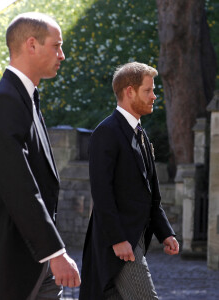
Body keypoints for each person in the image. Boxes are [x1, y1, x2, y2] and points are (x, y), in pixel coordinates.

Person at [0, 12, 80, 300]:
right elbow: (19, 186)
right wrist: (55, 252)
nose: (62, 55)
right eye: (56, 46)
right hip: (9, 264)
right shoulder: (5, 101)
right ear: (31, 44)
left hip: (33, 263)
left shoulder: (25, 98)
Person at [79, 62, 179, 300]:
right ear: (129, 91)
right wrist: (118, 239)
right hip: (120, 245)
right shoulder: (106, 132)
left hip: (136, 240)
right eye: (148, 90)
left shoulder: (142, 134)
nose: (154, 96)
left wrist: (166, 233)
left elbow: (151, 195)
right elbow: (102, 192)